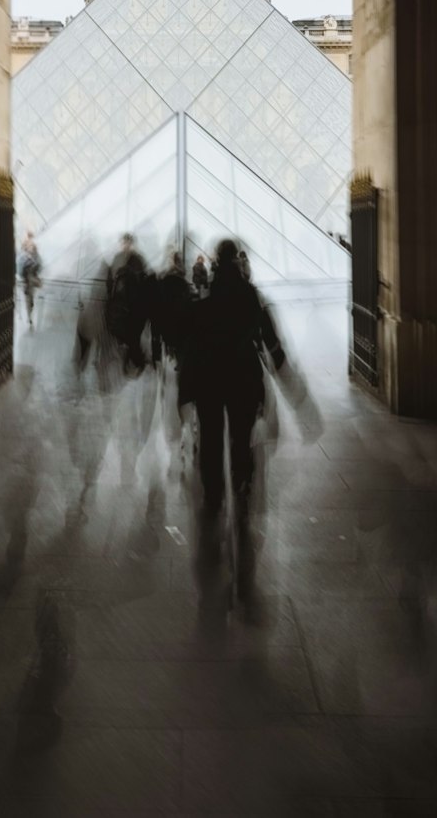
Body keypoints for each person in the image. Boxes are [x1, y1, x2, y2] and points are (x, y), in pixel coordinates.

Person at [178, 238, 287, 601]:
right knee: (242, 441)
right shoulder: (251, 297)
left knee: (210, 440)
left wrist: (184, 394)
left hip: (210, 383)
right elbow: (271, 343)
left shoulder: (204, 302)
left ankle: (213, 496)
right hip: (243, 383)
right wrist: (292, 386)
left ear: (213, 264)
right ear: (237, 262)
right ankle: (242, 488)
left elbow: (189, 350)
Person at [105, 232, 150, 373]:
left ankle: (135, 361)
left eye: (127, 243)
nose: (125, 246)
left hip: (129, 305)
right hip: (127, 305)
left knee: (131, 336)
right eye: (124, 243)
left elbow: (111, 281)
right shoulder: (135, 260)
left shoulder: (128, 259)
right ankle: (135, 360)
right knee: (131, 336)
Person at [150, 249, 193, 370]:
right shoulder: (181, 279)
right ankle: (173, 354)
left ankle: (159, 356)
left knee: (159, 326)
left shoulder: (165, 277)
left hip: (165, 311)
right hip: (176, 312)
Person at [18, 231, 42, 329]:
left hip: (29, 280)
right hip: (28, 281)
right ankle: (29, 316)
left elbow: (38, 265)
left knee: (30, 299)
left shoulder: (28, 257)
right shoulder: (25, 257)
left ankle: (29, 315)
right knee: (29, 299)